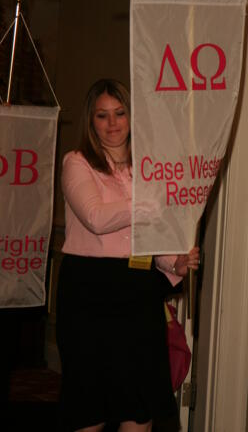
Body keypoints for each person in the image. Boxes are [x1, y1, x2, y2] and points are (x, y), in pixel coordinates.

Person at [56, 78, 200, 432]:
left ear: (132, 116)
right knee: (90, 405)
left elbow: (145, 237)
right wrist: (150, 202)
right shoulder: (77, 162)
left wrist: (173, 262)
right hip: (88, 292)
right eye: (102, 115)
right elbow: (96, 218)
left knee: (139, 408)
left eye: (120, 113)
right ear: (91, 121)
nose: (113, 123)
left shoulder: (147, 169)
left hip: (137, 290)